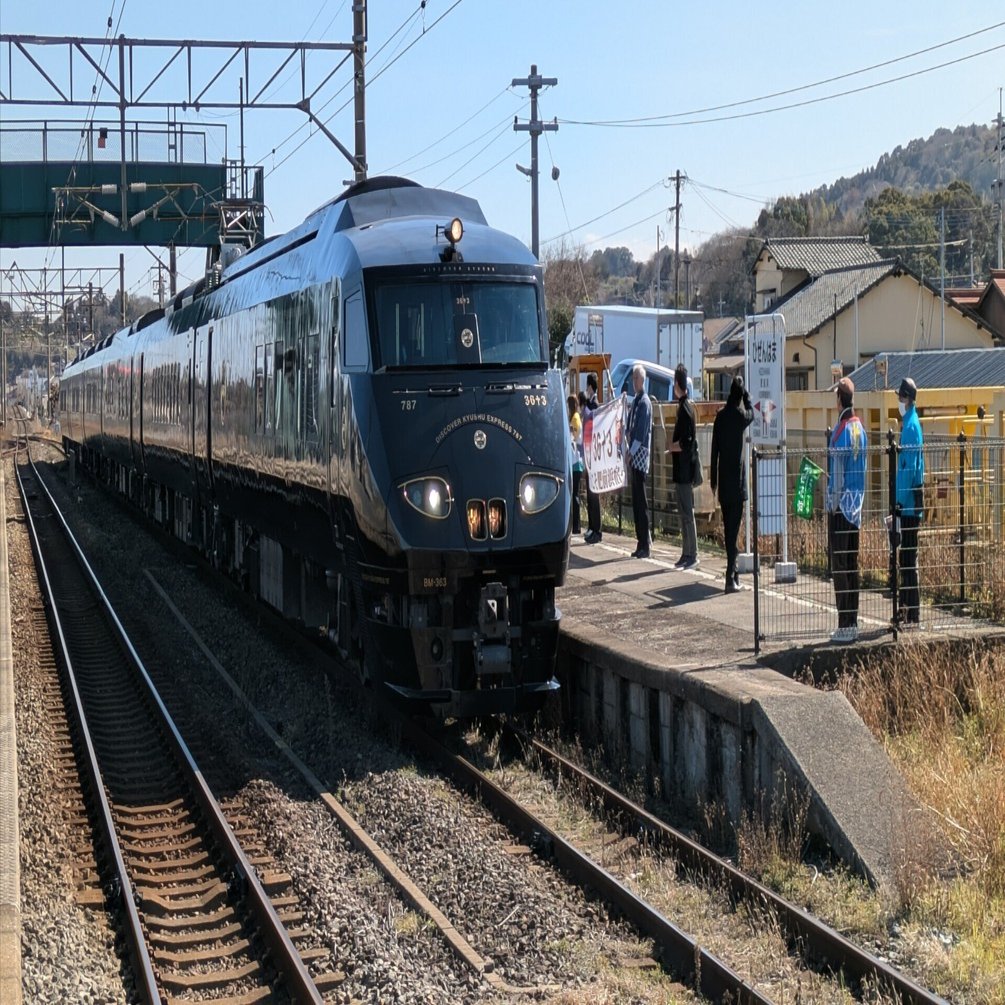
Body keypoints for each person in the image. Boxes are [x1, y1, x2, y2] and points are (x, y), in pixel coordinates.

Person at [826, 376, 867, 643]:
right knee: (852, 564)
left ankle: (844, 623)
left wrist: (830, 504)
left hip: (841, 507)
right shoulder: (859, 429)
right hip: (857, 506)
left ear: (839, 398)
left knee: (839, 565)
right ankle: (852, 620)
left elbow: (837, 477)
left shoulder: (841, 432)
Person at [710, 375, 754, 593]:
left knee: (729, 530)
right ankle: (730, 576)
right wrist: (746, 394)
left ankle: (733, 574)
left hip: (724, 483)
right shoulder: (739, 416)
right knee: (734, 531)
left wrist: (713, 482)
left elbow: (714, 450)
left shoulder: (720, 417)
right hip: (737, 485)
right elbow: (752, 413)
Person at [895, 377, 924, 627]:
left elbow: (908, 470)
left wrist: (899, 502)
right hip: (909, 503)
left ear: (906, 398)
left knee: (908, 558)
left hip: (909, 505)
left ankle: (911, 613)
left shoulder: (911, 427)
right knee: (905, 557)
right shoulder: (909, 423)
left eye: (900, 397)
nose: (898, 402)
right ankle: (905, 611)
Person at [668, 363, 699, 569]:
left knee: (688, 513)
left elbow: (687, 442)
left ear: (677, 384)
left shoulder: (686, 409)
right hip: (681, 470)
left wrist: (673, 446)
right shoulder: (683, 406)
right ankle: (685, 552)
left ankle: (693, 553)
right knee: (683, 513)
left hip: (686, 470)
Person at [625, 363, 653, 558]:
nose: (634, 382)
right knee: (636, 500)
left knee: (641, 501)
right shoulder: (635, 401)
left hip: (640, 457)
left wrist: (631, 451)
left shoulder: (644, 403)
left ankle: (645, 542)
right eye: (633, 378)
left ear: (642, 380)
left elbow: (641, 433)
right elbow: (630, 426)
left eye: (636, 378)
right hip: (633, 456)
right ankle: (640, 541)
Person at [583, 373, 603, 543]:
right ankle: (591, 526)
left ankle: (597, 529)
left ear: (590, 387)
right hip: (588, 453)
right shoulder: (590, 404)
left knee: (594, 494)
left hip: (594, 454)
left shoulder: (595, 404)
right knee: (589, 494)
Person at [567, 393, 584, 535]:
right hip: (575, 460)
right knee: (574, 494)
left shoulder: (575, 419)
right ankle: (575, 525)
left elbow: (573, 436)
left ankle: (576, 526)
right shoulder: (575, 418)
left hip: (575, 461)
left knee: (575, 495)